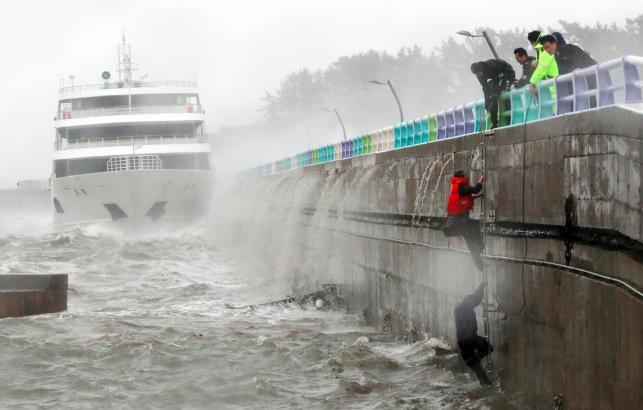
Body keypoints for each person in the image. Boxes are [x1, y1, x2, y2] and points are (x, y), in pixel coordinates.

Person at [541, 33, 598, 107]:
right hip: (582, 84)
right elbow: (564, 72)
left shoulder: (566, 49)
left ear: (554, 43)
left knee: (591, 103)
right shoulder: (557, 55)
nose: (546, 50)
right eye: (545, 48)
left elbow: (581, 64)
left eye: (548, 47)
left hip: (589, 80)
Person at [443, 170, 485, 270]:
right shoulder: (462, 186)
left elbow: (463, 200)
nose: (468, 176)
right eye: (466, 175)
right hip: (460, 223)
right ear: (461, 177)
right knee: (475, 225)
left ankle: (480, 266)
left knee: (470, 241)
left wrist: (476, 197)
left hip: (455, 224)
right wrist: (480, 180)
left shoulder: (457, 187)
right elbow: (475, 189)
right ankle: (480, 247)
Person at [454, 284, 494, 386]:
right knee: (488, 348)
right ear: (468, 302)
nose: (474, 305)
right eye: (472, 304)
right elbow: (474, 300)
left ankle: (486, 390)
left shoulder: (463, 307)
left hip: (466, 342)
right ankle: (487, 389)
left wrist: (481, 289)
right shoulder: (462, 309)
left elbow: (475, 299)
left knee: (479, 371)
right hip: (468, 339)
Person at [470, 59, 515, 128]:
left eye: (480, 72)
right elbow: (485, 88)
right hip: (495, 79)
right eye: (477, 73)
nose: (480, 74)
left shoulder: (493, 65)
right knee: (490, 100)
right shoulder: (479, 74)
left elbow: (502, 80)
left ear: (481, 68)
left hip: (506, 72)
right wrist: (487, 102)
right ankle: (494, 122)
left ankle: (509, 117)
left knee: (495, 95)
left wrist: (496, 93)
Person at [527, 30, 558, 96]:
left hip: (555, 82)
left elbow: (542, 68)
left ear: (532, 42)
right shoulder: (540, 48)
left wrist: (532, 82)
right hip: (553, 81)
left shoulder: (543, 48)